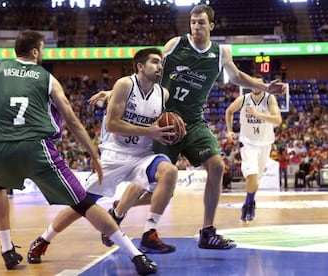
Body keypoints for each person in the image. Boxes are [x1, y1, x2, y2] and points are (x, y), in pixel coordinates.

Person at [0, 30, 156, 275]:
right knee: (84, 203)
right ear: (35, 51)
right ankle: (136, 255)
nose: (43, 53)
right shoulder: (47, 78)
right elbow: (73, 120)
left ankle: (6, 249)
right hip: (36, 149)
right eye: (43, 49)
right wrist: (94, 156)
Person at [90, 4, 285, 250]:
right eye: (193, 22)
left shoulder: (221, 52)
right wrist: (115, 90)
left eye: (201, 22)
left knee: (217, 167)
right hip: (165, 120)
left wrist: (265, 86)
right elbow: (150, 73)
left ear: (211, 26)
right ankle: (118, 212)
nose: (196, 26)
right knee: (148, 179)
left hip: (193, 122)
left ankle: (207, 231)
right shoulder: (175, 45)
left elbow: (236, 76)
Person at [26, 48, 179, 264]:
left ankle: (149, 233)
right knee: (81, 205)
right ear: (140, 66)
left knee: (170, 173)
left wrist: (164, 133)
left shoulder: (163, 94)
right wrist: (149, 130)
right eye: (155, 62)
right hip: (114, 156)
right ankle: (44, 239)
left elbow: (161, 123)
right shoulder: (125, 84)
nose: (160, 67)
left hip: (142, 156)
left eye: (161, 63)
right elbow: (113, 124)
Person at [225, 74, 282, 222]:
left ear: (263, 85)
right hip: (248, 143)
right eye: (253, 83)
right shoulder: (243, 99)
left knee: (256, 180)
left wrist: (258, 114)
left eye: (259, 83)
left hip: (265, 144)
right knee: (252, 175)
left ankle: (250, 200)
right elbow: (229, 111)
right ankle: (248, 205)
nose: (255, 86)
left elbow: (277, 120)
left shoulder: (270, 99)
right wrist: (230, 130)